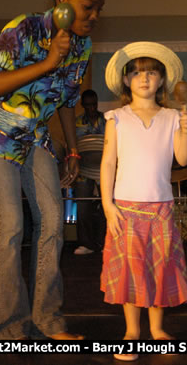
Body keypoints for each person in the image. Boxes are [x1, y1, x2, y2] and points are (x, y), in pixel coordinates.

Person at [0, 0, 105, 340]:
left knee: (52, 221)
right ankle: (11, 328)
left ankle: (48, 319)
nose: (94, 16)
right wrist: (47, 62)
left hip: (35, 137)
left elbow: (66, 101)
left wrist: (73, 152)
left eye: (99, 10)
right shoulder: (23, 29)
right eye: (87, 6)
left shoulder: (83, 46)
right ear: (61, 1)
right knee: (10, 223)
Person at [100, 42, 187, 361]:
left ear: (162, 80)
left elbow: (183, 159)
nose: (144, 78)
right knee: (130, 270)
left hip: (161, 208)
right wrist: (107, 205)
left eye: (152, 72)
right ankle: (132, 332)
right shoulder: (116, 117)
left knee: (160, 268)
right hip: (125, 208)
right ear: (126, 81)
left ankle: (156, 329)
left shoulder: (171, 117)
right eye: (137, 72)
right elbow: (108, 163)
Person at [73, 89, 106, 255]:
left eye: (93, 105)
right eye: (87, 106)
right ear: (82, 105)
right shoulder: (77, 122)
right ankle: (86, 244)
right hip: (84, 168)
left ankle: (104, 243)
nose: (91, 109)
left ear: (97, 103)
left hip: (104, 169)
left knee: (107, 205)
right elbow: (73, 145)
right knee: (83, 204)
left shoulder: (107, 121)